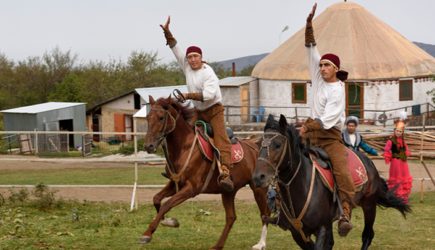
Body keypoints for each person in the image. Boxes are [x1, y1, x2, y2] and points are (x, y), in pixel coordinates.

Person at [159, 16, 234, 192]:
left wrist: (187, 95)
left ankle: (225, 172)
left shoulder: (209, 73)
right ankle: (173, 167)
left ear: (201, 57)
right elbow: (175, 49)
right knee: (181, 135)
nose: (192, 59)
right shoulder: (186, 66)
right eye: (190, 57)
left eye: (195, 56)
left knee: (222, 139)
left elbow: (209, 95)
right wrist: (167, 32)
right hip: (198, 112)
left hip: (214, 111)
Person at [299, 3, 354, 237]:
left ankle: (345, 213)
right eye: (321, 65)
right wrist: (309, 25)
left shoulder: (338, 90)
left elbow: (329, 119)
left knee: (341, 170)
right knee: (285, 159)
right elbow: (311, 49)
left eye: (326, 65)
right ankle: (278, 203)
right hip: (310, 133)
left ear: (335, 69)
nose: (321, 67)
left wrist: (306, 126)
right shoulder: (318, 78)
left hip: (330, 137)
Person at [383, 120, 412, 203]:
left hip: (403, 163)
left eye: (400, 131)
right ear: (394, 131)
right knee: (396, 177)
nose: (398, 133)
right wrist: (388, 156)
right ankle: (396, 196)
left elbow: (406, 150)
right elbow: (387, 150)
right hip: (395, 162)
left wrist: (405, 154)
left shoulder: (403, 141)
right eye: (397, 131)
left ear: (402, 133)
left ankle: (403, 197)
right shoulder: (391, 141)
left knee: (404, 177)